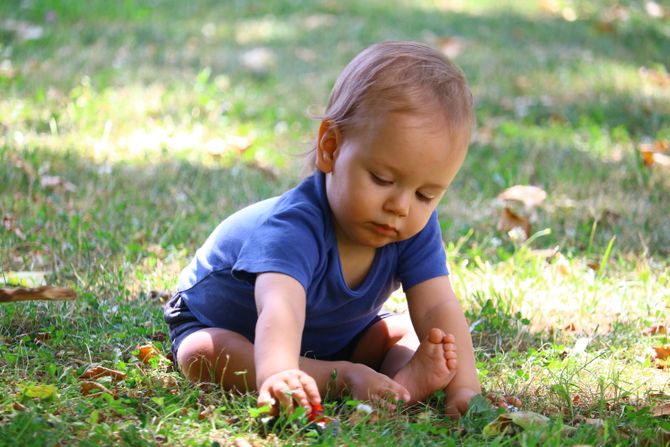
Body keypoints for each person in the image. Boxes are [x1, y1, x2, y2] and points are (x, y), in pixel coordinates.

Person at [164, 40, 481, 418]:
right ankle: (337, 378)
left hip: (339, 336)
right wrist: (278, 372)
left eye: (426, 194)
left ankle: (398, 387)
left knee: (413, 335)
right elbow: (280, 308)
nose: (400, 206)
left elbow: (437, 306)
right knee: (202, 353)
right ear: (330, 148)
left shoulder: (413, 227)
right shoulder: (295, 226)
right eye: (381, 179)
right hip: (234, 326)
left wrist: (465, 389)